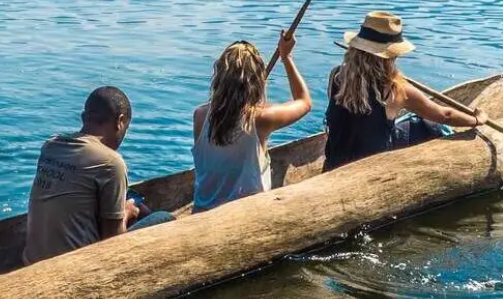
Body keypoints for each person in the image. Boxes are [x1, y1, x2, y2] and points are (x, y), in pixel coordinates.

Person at [323, 12, 487, 171]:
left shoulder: (337, 75)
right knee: (428, 124)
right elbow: (446, 115)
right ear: (391, 56)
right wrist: (476, 120)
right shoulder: (397, 90)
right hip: (372, 170)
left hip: (333, 164)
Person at [23, 86, 168, 265]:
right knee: (165, 219)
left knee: (125, 195)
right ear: (120, 121)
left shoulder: (50, 146)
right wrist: (128, 212)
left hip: (31, 262)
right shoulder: (111, 162)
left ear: (84, 117)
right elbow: (113, 242)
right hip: (78, 267)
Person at [191, 36, 312, 212]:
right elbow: (304, 101)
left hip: (202, 213)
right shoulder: (261, 118)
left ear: (220, 77)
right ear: (255, 81)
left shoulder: (200, 115)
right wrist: (287, 58)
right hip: (245, 216)